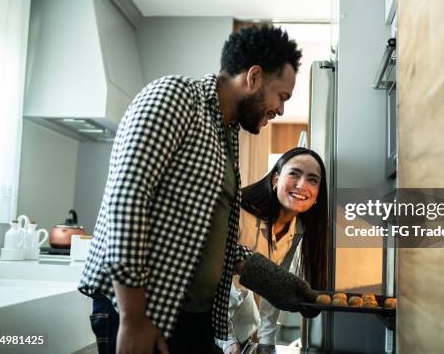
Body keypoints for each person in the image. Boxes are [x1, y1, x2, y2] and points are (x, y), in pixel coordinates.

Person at [78, 25, 319, 354]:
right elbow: (127, 200)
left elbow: (218, 246)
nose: (280, 110)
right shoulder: (175, 96)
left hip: (193, 318)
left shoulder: (227, 133)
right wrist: (134, 319)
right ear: (254, 77)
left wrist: (283, 285)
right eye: (282, 96)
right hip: (146, 314)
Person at [220, 147, 328, 353]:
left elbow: (275, 287)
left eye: (312, 180)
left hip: (243, 322)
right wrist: (226, 337)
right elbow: (217, 277)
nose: (302, 185)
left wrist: (267, 342)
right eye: (294, 174)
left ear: (317, 195)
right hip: (210, 319)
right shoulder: (240, 213)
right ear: (276, 179)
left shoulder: (299, 229)